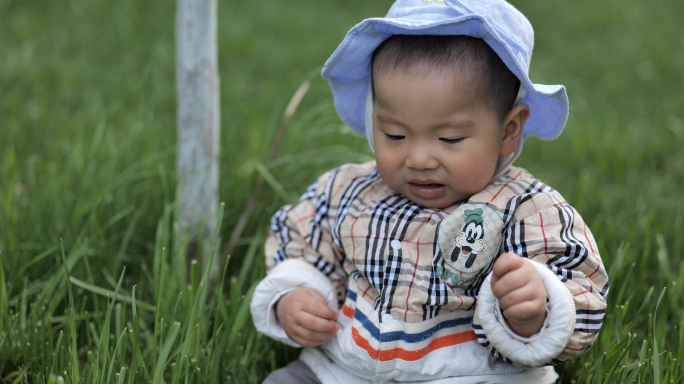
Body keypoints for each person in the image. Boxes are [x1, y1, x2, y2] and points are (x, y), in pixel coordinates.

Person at [250, 0, 608, 383]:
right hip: (344, 367)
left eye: (449, 138)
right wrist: (298, 294)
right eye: (395, 135)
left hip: (471, 375)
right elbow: (301, 242)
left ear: (509, 130)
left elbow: (580, 295)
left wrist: (535, 310)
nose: (419, 158)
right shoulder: (346, 191)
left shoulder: (527, 211)